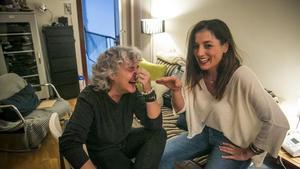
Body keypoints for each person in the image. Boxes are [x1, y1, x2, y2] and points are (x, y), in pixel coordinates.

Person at [157, 19, 289, 169]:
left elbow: (278, 122)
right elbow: (182, 110)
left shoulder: (242, 76)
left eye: (208, 45)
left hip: (233, 141)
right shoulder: (193, 72)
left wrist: (248, 152)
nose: (199, 53)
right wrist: (175, 91)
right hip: (204, 132)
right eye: (196, 46)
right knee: (159, 155)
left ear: (225, 46)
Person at [59, 46, 167, 169]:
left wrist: (148, 89)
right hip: (103, 152)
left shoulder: (130, 92)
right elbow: (69, 143)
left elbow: (154, 125)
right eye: (131, 68)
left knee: (158, 133)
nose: (137, 74)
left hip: (124, 141)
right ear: (111, 73)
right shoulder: (90, 97)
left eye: (137, 67)